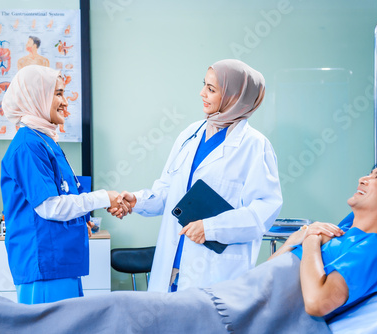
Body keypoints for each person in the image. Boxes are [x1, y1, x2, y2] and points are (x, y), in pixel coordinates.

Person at [0, 158, 377, 333]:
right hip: (230, 296)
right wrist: (130, 200)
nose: (365, 177)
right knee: (102, 316)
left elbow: (316, 299)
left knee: (110, 315)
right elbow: (168, 191)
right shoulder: (346, 228)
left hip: (234, 310)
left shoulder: (372, 248)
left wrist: (307, 242)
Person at [111, 59, 283, 292]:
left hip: (215, 273)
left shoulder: (254, 146)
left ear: (235, 97)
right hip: (171, 269)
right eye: (204, 85)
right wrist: (138, 200)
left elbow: (263, 212)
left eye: (211, 89)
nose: (202, 93)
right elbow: (169, 191)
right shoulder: (190, 134)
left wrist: (211, 228)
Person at [0, 65, 128, 304]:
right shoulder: (28, 145)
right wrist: (104, 197)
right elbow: (50, 207)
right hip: (44, 264)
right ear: (36, 96)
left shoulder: (45, 141)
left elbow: (63, 194)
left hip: (59, 262)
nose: (65, 102)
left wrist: (82, 219)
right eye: (58, 93)